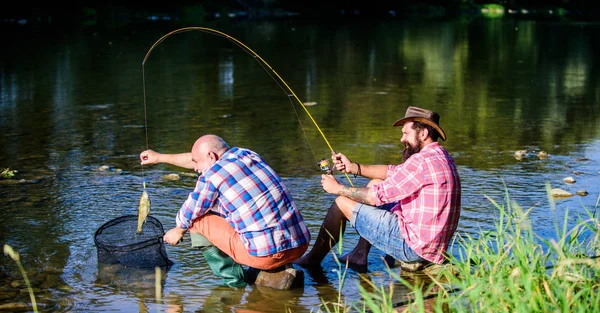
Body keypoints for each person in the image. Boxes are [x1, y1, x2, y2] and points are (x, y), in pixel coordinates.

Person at [295, 106, 461, 271]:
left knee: (341, 203)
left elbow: (374, 197)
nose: (402, 139)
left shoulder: (421, 162)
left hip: (415, 248)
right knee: (376, 182)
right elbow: (391, 171)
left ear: (423, 134)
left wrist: (337, 188)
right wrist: (353, 167)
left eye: (406, 133)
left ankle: (312, 260)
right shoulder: (442, 156)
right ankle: (359, 254)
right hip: (433, 247)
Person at [140, 134, 311, 287]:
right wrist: (159, 157)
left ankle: (234, 282)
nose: (195, 168)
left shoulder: (211, 177)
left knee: (197, 221)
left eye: (197, 163)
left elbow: (189, 212)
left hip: (267, 256)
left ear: (212, 156)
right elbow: (199, 160)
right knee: (236, 209)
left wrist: (178, 230)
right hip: (300, 245)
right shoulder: (247, 154)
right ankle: (273, 270)